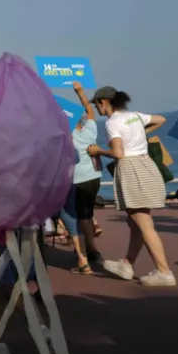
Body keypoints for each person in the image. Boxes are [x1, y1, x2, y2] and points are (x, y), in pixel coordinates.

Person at [87, 88, 175, 286]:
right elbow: (160, 119)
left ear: (103, 102)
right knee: (135, 221)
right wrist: (139, 134)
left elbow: (118, 153)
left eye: (96, 104)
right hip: (146, 166)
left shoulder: (112, 122)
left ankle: (164, 271)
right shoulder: (134, 116)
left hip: (131, 169)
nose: (96, 107)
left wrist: (98, 150)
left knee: (143, 223)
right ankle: (127, 263)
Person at [58, 82, 103, 274]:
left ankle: (91, 251)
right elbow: (89, 109)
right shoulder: (91, 128)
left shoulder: (69, 135)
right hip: (96, 177)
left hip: (79, 179)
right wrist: (80, 92)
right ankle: (90, 245)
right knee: (88, 213)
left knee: (80, 218)